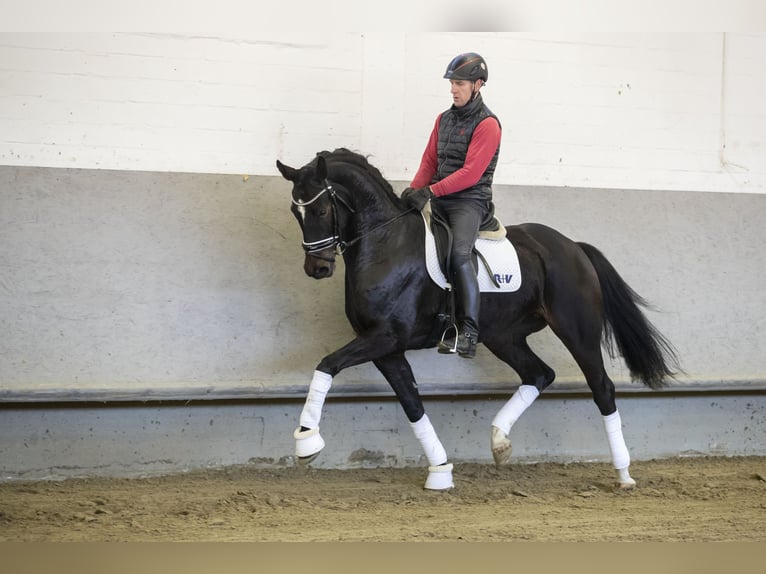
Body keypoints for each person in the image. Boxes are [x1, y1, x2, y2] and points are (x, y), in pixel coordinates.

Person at [401, 52, 502, 359]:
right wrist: (412, 192)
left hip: (469, 203)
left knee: (459, 255)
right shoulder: (443, 119)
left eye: (459, 83)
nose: (453, 89)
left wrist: (430, 191)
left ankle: (469, 331)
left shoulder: (488, 125)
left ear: (478, 84)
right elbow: (430, 161)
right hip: (440, 196)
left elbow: (470, 174)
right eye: (452, 83)